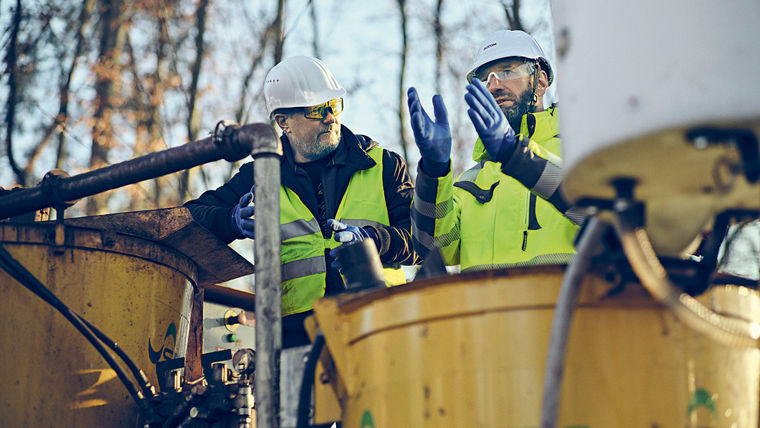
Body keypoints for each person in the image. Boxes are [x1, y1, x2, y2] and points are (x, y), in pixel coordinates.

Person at [185, 56, 417, 347]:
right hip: (296, 340)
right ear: (283, 122)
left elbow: (420, 242)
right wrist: (229, 221)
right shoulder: (260, 174)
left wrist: (375, 240)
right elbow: (188, 218)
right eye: (317, 110)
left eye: (334, 105)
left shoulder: (382, 165)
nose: (331, 118)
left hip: (380, 326)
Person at [408, 30, 583, 272]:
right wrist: (433, 172)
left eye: (507, 71)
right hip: (488, 310)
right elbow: (431, 246)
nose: (494, 84)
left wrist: (517, 155)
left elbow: (603, 216)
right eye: (484, 79)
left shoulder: (579, 152)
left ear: (540, 82)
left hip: (567, 306)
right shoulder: (469, 182)